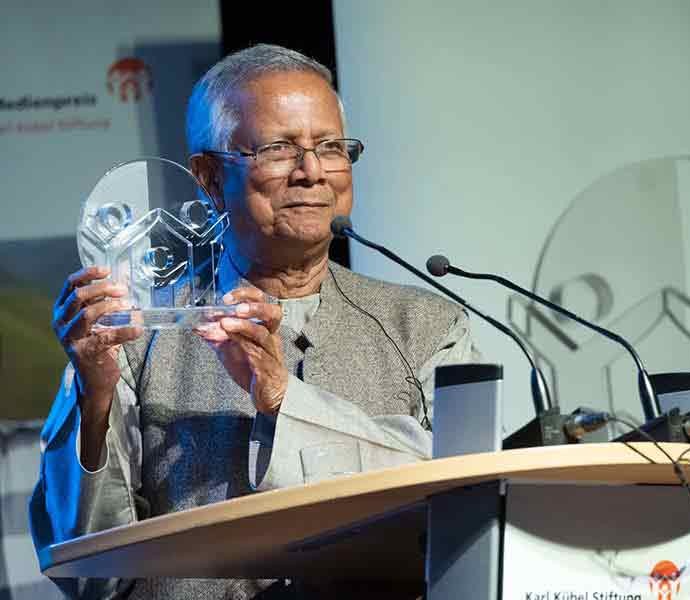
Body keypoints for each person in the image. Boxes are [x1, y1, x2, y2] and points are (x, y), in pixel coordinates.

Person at [30, 44, 478, 600]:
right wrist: (93, 401)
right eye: (278, 148)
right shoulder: (135, 336)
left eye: (331, 146)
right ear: (210, 177)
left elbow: (465, 507)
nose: (312, 172)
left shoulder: (431, 324)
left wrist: (282, 397)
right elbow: (93, 575)